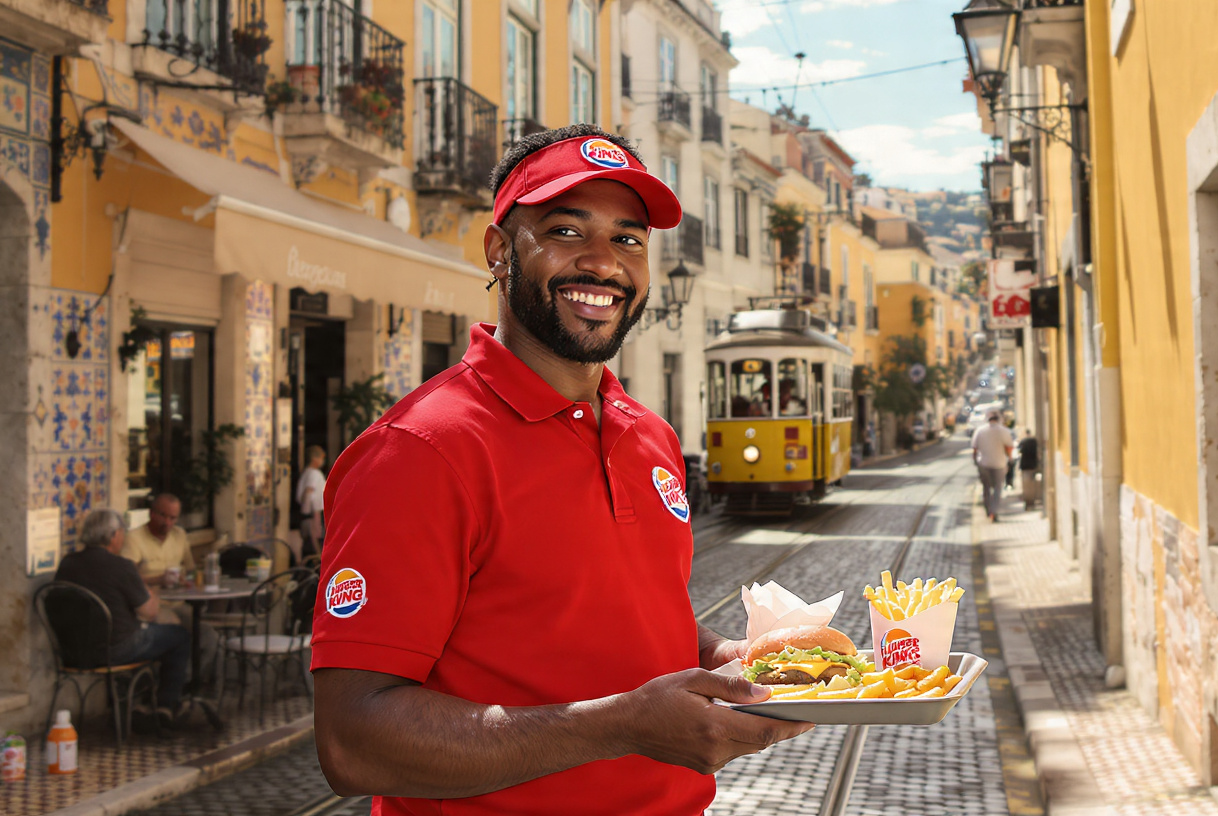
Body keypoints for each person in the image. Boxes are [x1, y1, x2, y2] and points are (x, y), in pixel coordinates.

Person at [309, 125, 812, 816]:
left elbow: (610, 608)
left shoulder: (651, 438)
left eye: (628, 239)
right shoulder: (420, 450)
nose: (603, 263)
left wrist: (720, 654)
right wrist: (622, 724)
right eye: (566, 230)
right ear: (499, 251)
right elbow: (352, 743)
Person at [56, 509, 191, 722]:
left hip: (72, 653)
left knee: (149, 633)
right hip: (115, 651)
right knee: (178, 636)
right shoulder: (121, 566)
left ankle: (140, 699)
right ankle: (165, 704)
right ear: (113, 536)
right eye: (121, 532)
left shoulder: (67, 563)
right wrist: (150, 588)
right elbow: (150, 612)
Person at [122, 494, 193, 588]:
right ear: (151, 514)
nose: (167, 522)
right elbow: (126, 578)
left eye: (172, 518)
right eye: (163, 515)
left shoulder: (180, 535)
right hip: (148, 601)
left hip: (178, 600)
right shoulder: (134, 538)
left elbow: (190, 570)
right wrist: (158, 580)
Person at [971, 410, 1013, 522]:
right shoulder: (1004, 431)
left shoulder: (980, 430)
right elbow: (1009, 447)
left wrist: (975, 461)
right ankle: (994, 512)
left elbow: (974, 449)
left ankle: (988, 509)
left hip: (984, 464)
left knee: (986, 488)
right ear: (998, 420)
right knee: (998, 489)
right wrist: (1010, 459)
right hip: (999, 463)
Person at [295, 445, 328, 558]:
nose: (322, 461)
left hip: (311, 514)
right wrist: (308, 513)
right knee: (315, 547)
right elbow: (309, 493)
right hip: (313, 514)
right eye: (321, 458)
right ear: (315, 459)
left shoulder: (307, 473)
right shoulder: (314, 474)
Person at [1018, 429, 1041, 511]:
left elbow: (1019, 452)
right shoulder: (1034, 441)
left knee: (1026, 486)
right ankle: (1032, 502)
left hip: (1025, 466)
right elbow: (1038, 453)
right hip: (1033, 465)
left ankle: (1028, 503)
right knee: (1032, 485)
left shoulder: (1023, 441)